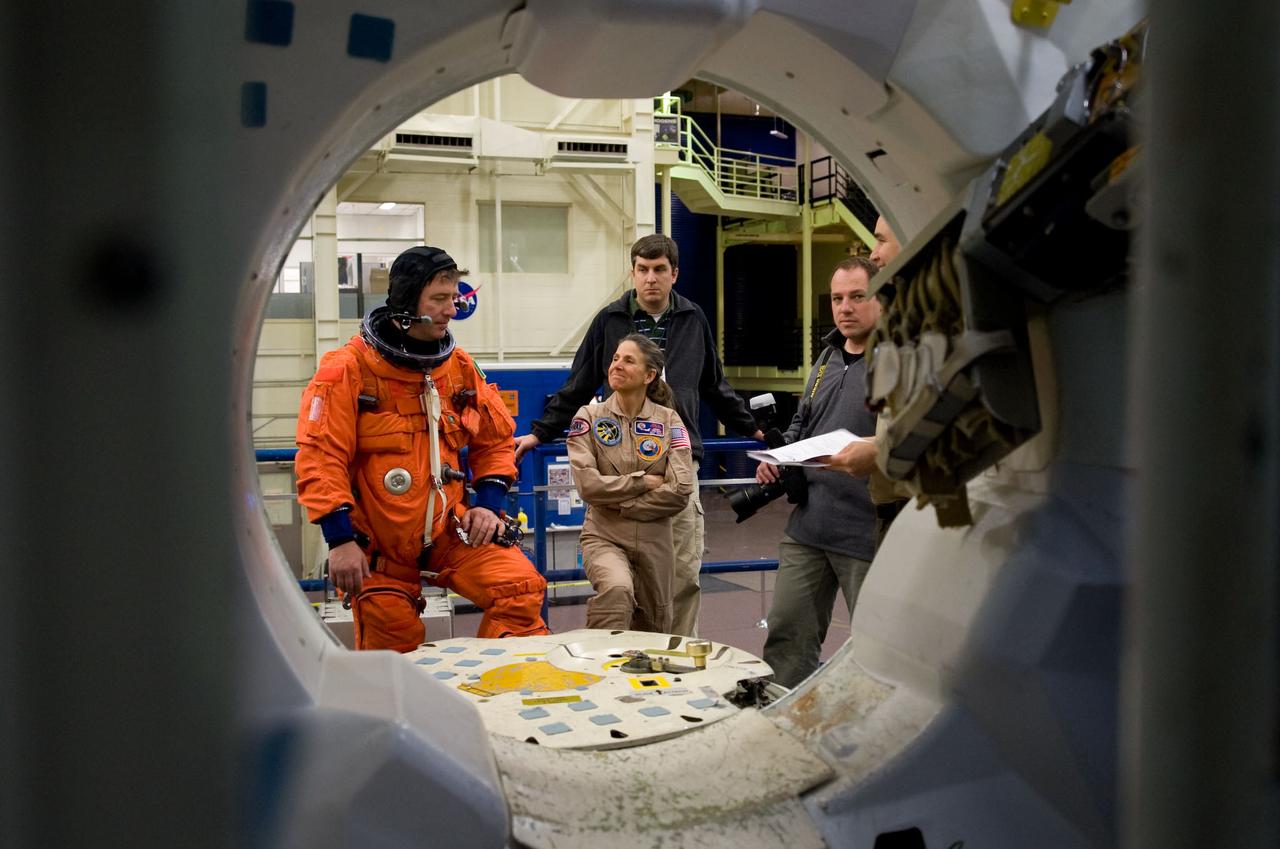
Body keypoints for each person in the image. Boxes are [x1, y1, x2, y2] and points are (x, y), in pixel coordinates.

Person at [294, 245, 548, 652]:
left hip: (451, 528)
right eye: (440, 299)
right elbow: (321, 456)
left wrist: (489, 501)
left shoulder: (459, 367)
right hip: (377, 545)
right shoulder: (348, 370)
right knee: (392, 647)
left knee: (518, 589)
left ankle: (497, 703)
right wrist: (340, 539)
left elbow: (496, 438)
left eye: (455, 297)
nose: (453, 309)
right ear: (408, 303)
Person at [514, 234, 762, 637]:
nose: (650, 279)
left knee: (681, 578)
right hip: (620, 468)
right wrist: (539, 434)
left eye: (659, 270)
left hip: (676, 468)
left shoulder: (693, 319)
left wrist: (754, 429)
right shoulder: (610, 320)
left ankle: (679, 662)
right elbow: (578, 384)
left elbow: (714, 385)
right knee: (622, 585)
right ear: (633, 272)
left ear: (673, 274)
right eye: (642, 270)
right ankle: (624, 662)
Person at [756, 256, 881, 688]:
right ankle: (783, 732)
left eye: (857, 297)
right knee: (786, 637)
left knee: (878, 651)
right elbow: (802, 424)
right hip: (809, 529)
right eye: (837, 298)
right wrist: (779, 459)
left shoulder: (897, 361)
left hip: (869, 535)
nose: (845, 307)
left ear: (880, 298)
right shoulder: (826, 359)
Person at [567, 335, 694, 632]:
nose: (617, 366)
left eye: (628, 360)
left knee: (655, 625)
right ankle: (599, 671)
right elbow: (588, 486)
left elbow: (680, 491)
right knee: (617, 591)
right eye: (615, 359)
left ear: (649, 375)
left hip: (656, 542)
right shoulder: (588, 417)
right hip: (604, 536)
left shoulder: (670, 421)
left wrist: (619, 502)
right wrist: (641, 482)